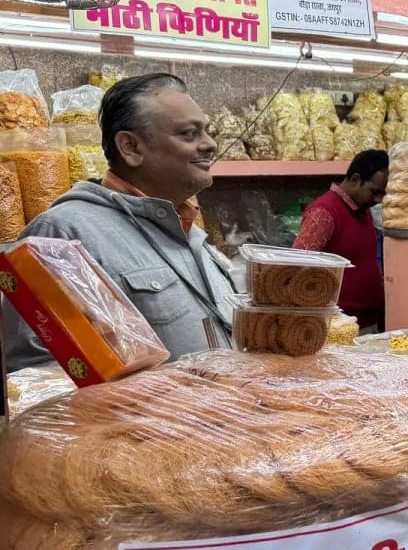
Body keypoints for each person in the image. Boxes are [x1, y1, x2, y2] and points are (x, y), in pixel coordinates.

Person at [2, 73, 237, 367]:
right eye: (189, 134)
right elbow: (38, 374)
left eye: (206, 131)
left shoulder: (189, 231)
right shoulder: (63, 234)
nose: (210, 144)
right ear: (131, 147)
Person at [293, 149, 388, 330]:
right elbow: (298, 266)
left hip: (366, 322)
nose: (378, 199)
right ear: (355, 180)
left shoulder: (363, 210)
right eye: (374, 192)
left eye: (382, 194)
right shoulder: (324, 212)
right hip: (337, 328)